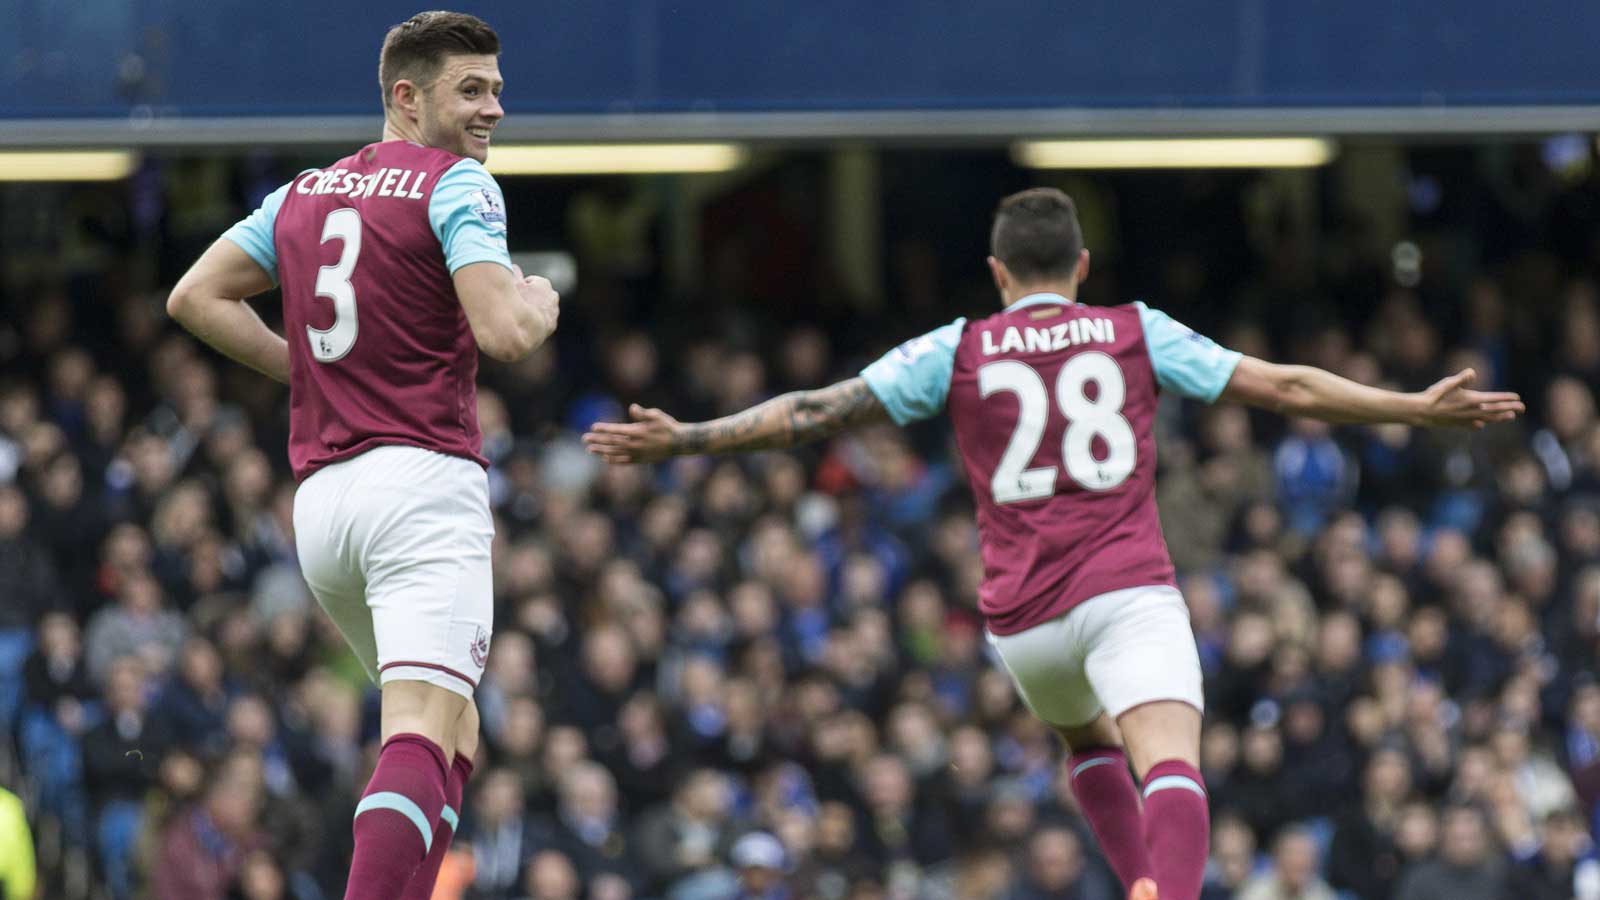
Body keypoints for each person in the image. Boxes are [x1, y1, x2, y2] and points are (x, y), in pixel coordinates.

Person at [582, 187, 1524, 900]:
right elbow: (1283, 389)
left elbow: (817, 411)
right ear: (1082, 266)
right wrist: (1408, 405)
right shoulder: (1133, 330)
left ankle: (1140, 884)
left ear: (998, 274)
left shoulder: (955, 350)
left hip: (1024, 621)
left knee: (1087, 741)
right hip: (1125, 590)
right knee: (1172, 765)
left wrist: (692, 437)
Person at [166, 11, 560, 900]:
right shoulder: (457, 185)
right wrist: (542, 297)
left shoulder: (304, 192)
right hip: (422, 483)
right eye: (471, 90)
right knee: (419, 730)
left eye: (496, 88)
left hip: (324, 508)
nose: (493, 108)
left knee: (453, 733)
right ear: (405, 97)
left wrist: (304, 371)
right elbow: (504, 332)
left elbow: (194, 297)